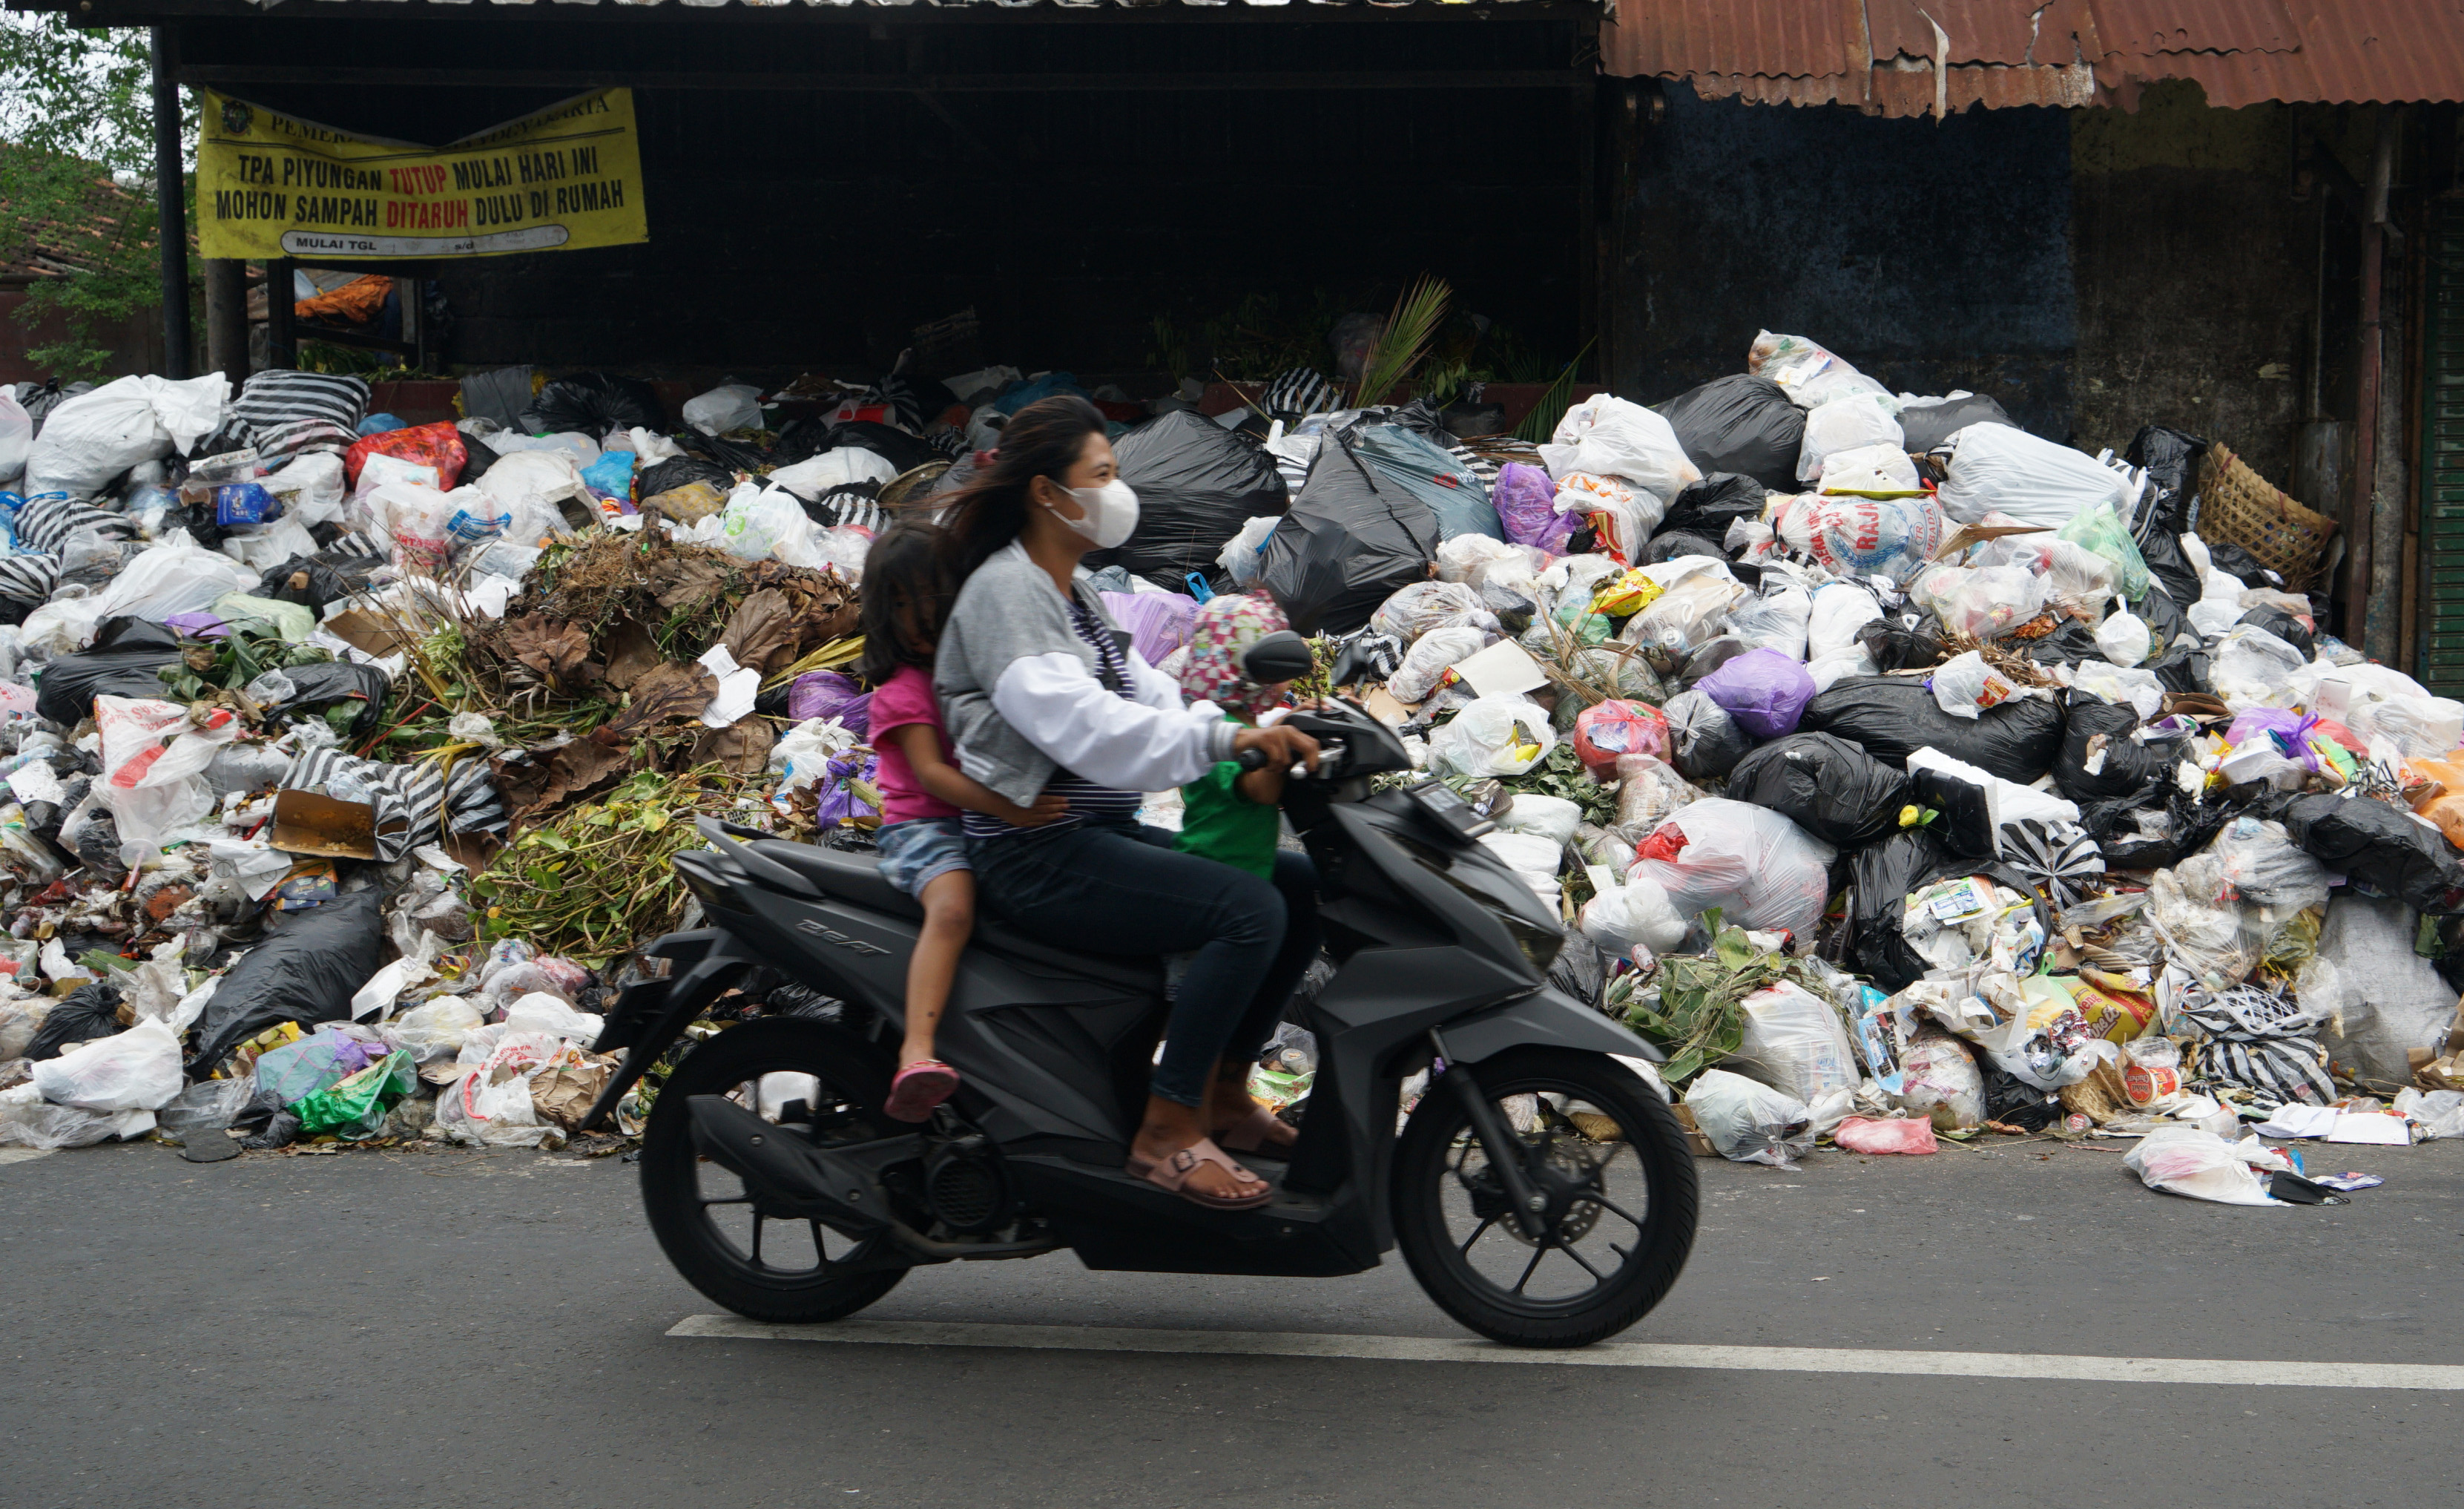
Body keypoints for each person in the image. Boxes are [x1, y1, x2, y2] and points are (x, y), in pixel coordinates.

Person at [934, 395, 1322, 1210]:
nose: (1120, 491)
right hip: (1034, 852)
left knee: (1295, 888)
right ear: (1048, 493)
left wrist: (1263, 724)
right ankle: (1168, 1128)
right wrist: (1225, 744)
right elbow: (1087, 729)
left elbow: (1152, 695)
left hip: (1092, 832)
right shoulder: (1008, 593)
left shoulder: (1070, 593)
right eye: (1103, 475)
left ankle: (1221, 1092)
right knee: (1246, 910)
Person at [857, 520, 1068, 1121]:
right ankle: (917, 1050)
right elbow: (932, 776)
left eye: (931, 596)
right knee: (953, 907)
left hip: (979, 823)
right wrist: (1010, 808)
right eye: (901, 603)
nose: (919, 617)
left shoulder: (971, 667)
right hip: (924, 828)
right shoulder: (903, 690)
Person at [1171, 593, 1299, 883]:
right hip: (1213, 875)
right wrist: (1287, 736)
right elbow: (1262, 791)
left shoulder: (1246, 726)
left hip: (1244, 868)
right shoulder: (1220, 732)